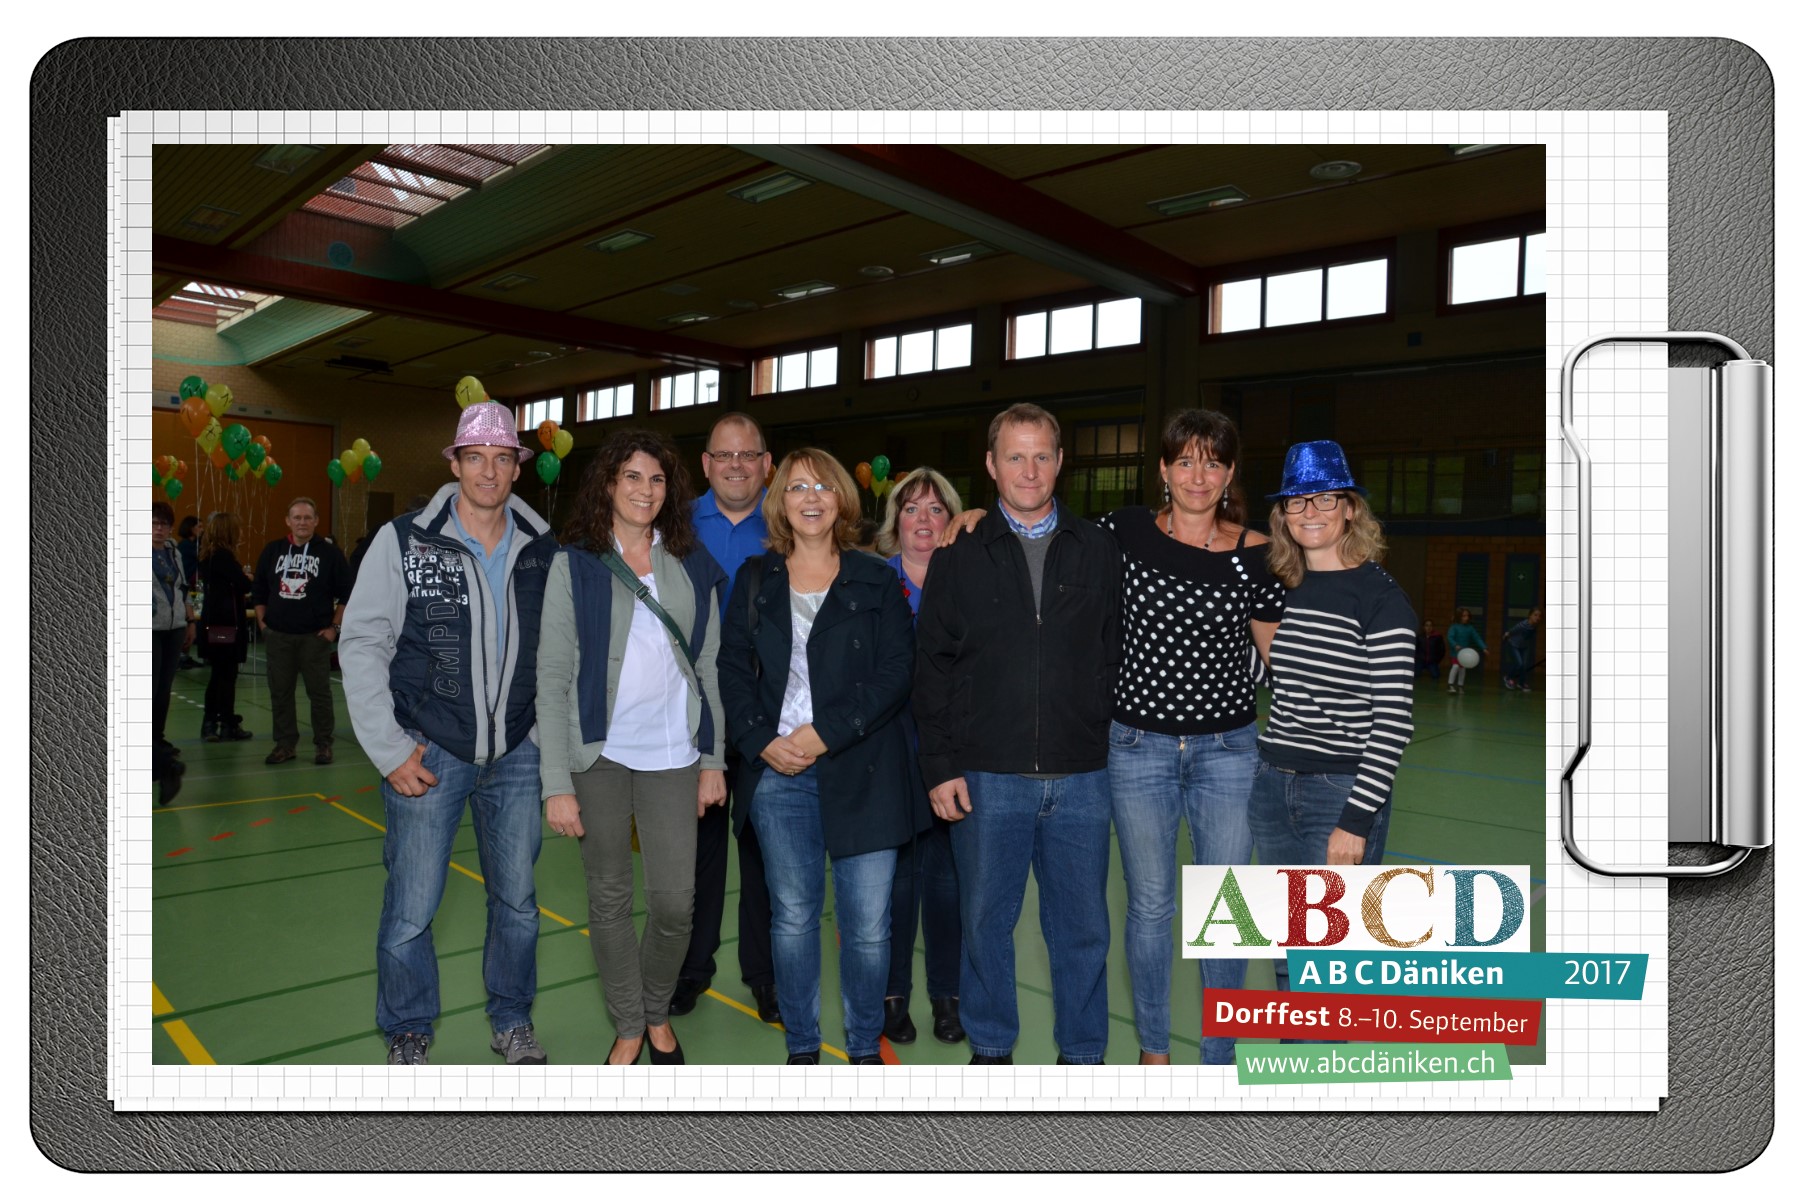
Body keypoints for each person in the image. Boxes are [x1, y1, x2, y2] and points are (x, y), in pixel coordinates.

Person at [340, 401, 558, 1067]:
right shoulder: (404, 540)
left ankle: (512, 1019)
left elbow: (559, 652)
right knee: (411, 906)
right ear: (455, 464)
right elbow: (363, 643)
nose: (489, 471)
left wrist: (544, 740)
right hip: (428, 751)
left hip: (517, 754)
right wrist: (389, 750)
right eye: (476, 457)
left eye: (502, 458)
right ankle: (408, 1027)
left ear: (517, 468)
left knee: (518, 902)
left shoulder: (543, 547)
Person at [914, 403, 1122, 1066]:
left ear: (1060, 463)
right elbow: (932, 665)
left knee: (1083, 930)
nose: (1028, 471)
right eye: (1014, 456)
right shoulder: (960, 552)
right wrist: (940, 764)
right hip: (986, 775)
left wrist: (1096, 731)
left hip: (1082, 776)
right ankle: (992, 1049)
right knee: (985, 924)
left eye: (1041, 456)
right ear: (991, 464)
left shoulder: (1098, 549)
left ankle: (1083, 1056)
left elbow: (1115, 652)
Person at [717, 448, 929, 1065]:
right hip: (779, 773)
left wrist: (826, 734)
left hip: (865, 771)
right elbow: (732, 670)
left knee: (867, 927)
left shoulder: (875, 579)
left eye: (823, 487)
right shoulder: (755, 579)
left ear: (842, 499)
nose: (810, 498)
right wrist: (761, 741)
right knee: (793, 918)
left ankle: (863, 1050)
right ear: (779, 501)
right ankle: (803, 1050)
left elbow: (897, 672)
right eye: (797, 487)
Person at [537, 430, 728, 1067]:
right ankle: (631, 1024)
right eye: (632, 477)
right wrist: (556, 783)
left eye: (657, 479)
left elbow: (709, 667)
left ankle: (654, 1007)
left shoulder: (692, 562)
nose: (645, 490)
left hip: (674, 756)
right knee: (610, 898)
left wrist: (713, 759)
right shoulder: (575, 564)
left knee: (675, 906)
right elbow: (552, 676)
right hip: (600, 757)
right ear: (608, 485)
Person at [1250, 439, 1416, 884]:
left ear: (1350, 509)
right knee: (1285, 923)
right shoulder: (1282, 589)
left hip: (1340, 790)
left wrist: (1356, 821)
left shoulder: (1380, 598)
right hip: (1271, 783)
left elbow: (1394, 722)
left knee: (1331, 929)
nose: (1310, 511)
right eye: (1297, 501)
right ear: (1283, 514)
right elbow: (1280, 678)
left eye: (1325, 498)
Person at [673, 413, 779, 1026]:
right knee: (697, 851)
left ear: (767, 464)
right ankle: (692, 968)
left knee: (766, 850)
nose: (736, 465)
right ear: (706, 464)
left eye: (748, 454)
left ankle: (765, 976)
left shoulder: (790, 520)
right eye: (724, 455)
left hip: (769, 714)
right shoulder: (675, 525)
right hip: (694, 714)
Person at [874, 466, 966, 1046]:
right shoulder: (871, 583)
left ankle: (947, 997)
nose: (924, 520)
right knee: (898, 882)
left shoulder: (969, 581)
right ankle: (893, 996)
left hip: (955, 754)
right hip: (890, 754)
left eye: (936, 508)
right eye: (911, 509)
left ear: (952, 520)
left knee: (948, 882)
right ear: (895, 522)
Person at [252, 497, 353, 765]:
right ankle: (285, 745)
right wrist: (264, 626)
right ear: (288, 521)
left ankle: (323, 744)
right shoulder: (273, 550)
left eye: (308, 517)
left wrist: (334, 628)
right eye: (297, 517)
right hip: (278, 636)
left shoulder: (329, 554)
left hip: (314, 638)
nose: (302, 522)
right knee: (280, 693)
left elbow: (348, 593)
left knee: (319, 694)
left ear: (316, 521)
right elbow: (259, 590)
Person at [150, 501, 194, 806]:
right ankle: (162, 764)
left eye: (164, 524)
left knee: (162, 692)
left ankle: (158, 747)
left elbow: (182, 589)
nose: (159, 529)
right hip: (147, 630)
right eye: (154, 523)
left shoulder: (173, 551)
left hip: (174, 628)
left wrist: (190, 621)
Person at [196, 511, 253, 744]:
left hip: (218, 622)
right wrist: (248, 578)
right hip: (223, 624)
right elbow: (243, 584)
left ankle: (224, 721)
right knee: (224, 674)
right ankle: (216, 722)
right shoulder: (222, 557)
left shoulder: (210, 555)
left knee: (223, 674)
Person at [176, 514, 205, 669]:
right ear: (190, 528)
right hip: (187, 589)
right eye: (199, 527)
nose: (202, 530)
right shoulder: (186, 546)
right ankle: (181, 655)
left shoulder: (195, 545)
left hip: (196, 588)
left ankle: (185, 655)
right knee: (188, 620)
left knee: (195, 620)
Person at [1445, 607, 1486, 693]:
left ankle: (1460, 685)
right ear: (1459, 617)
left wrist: (1484, 647)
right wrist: (1455, 645)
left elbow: (1477, 638)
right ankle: (1450, 684)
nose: (1466, 618)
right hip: (1455, 652)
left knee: (1462, 668)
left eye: (1467, 616)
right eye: (1464, 616)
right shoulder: (1454, 627)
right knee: (1455, 666)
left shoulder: (1470, 628)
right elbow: (1450, 637)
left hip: (1465, 653)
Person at [1502, 607, 1543, 691]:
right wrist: (1507, 634)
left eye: (1539, 616)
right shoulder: (1523, 624)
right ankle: (1508, 677)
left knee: (1524, 665)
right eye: (1535, 615)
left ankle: (1521, 683)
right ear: (1530, 616)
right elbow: (1513, 630)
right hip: (1514, 645)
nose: (1537, 617)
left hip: (1524, 647)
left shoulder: (1535, 626)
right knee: (1519, 663)